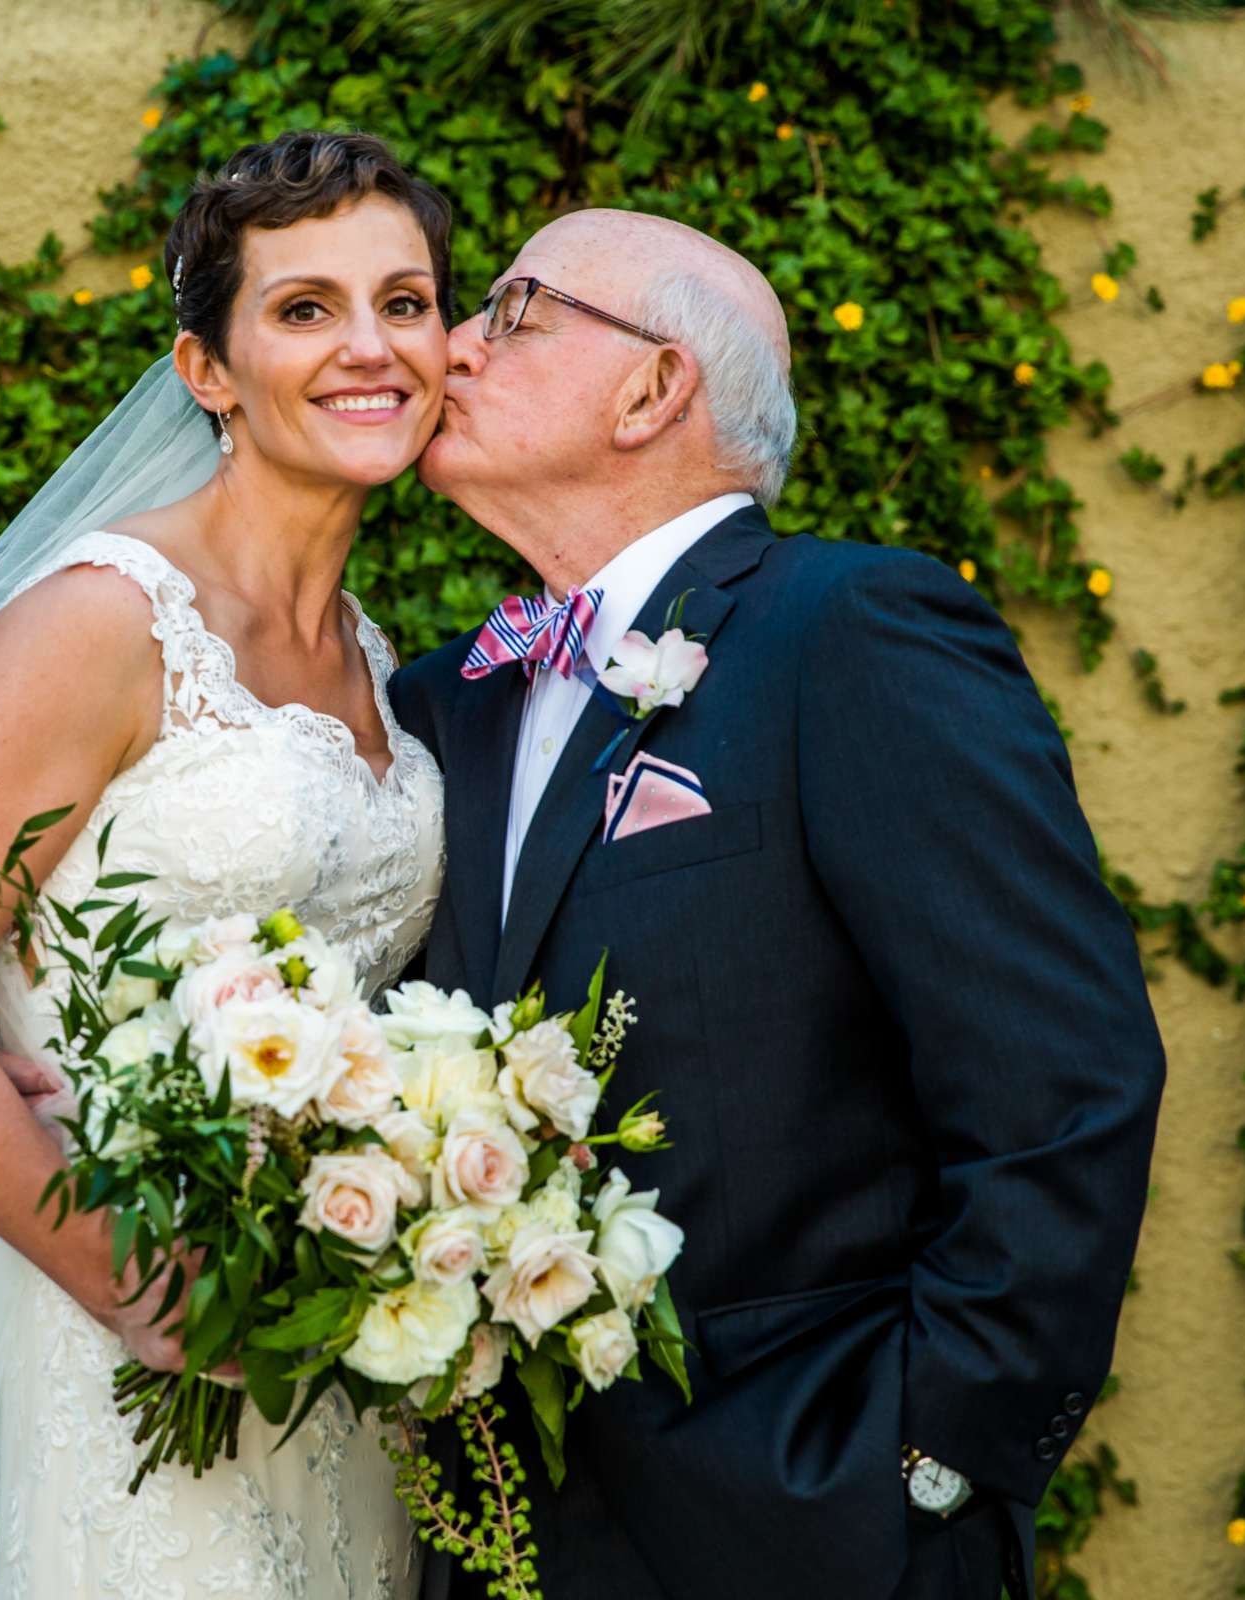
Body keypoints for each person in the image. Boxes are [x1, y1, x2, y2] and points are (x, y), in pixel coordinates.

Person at [386, 208, 1167, 1600]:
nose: (448, 347)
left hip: (815, 1526)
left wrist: (929, 1461)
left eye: (511, 310)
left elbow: (1064, 1082)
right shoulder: (442, 706)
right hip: (497, 1539)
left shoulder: (852, 631)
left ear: (654, 386)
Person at [0, 129, 452, 1600]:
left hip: (342, 1364)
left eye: (408, 301)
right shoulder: (100, 624)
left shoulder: (371, 656)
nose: (371, 347)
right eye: (305, 309)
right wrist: (140, 1287)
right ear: (206, 372)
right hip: (131, 1347)